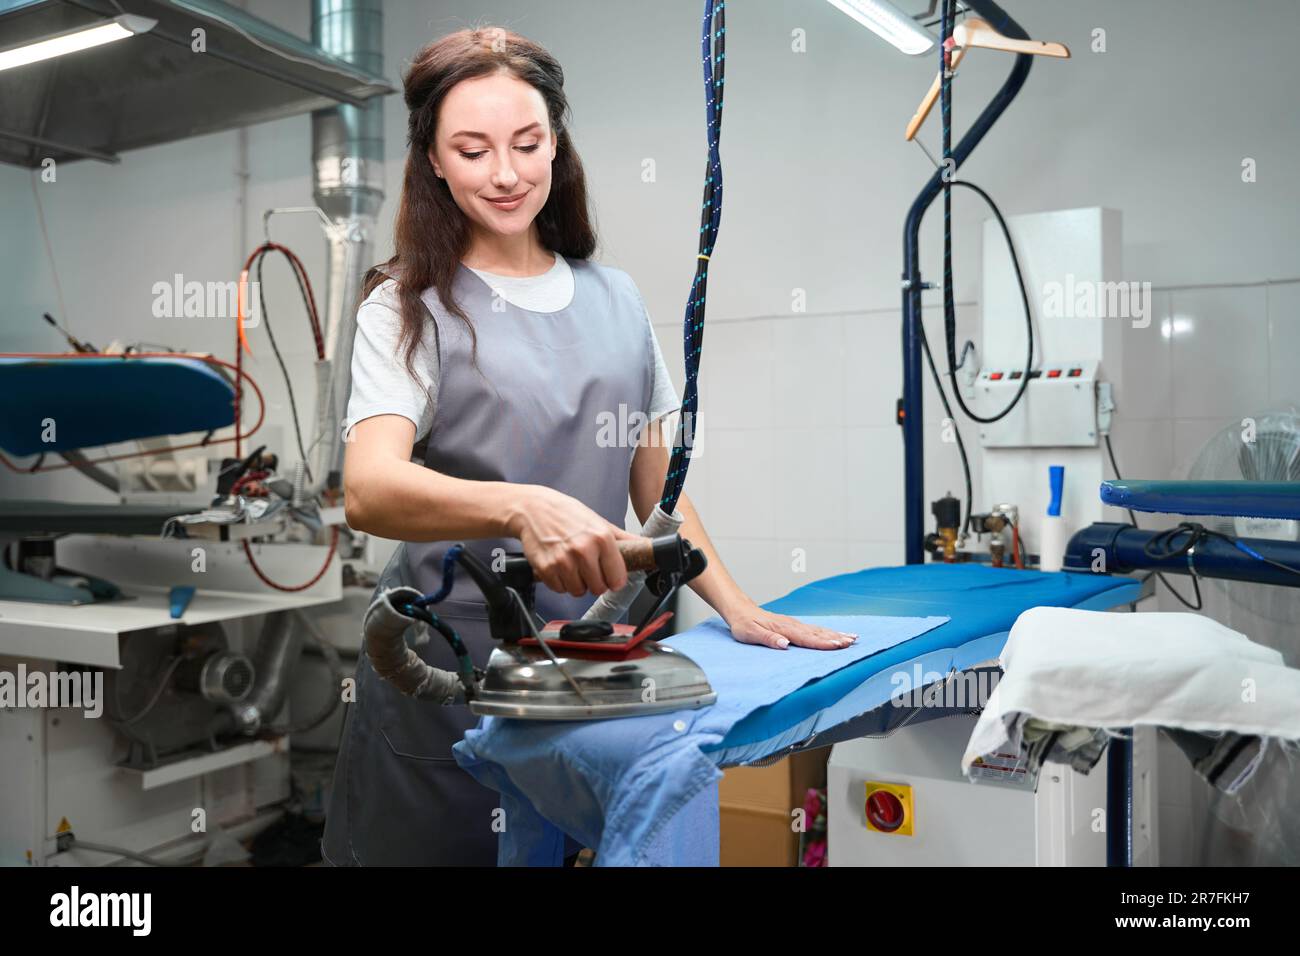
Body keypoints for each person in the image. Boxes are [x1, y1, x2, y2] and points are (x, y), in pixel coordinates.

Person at [321, 26, 857, 867]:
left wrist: (735, 604)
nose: (506, 173)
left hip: (588, 661)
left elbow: (658, 495)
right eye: (472, 149)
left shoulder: (615, 299)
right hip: (449, 663)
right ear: (432, 159)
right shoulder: (407, 307)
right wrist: (521, 505)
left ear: (557, 144)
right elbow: (370, 488)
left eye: (528, 144)